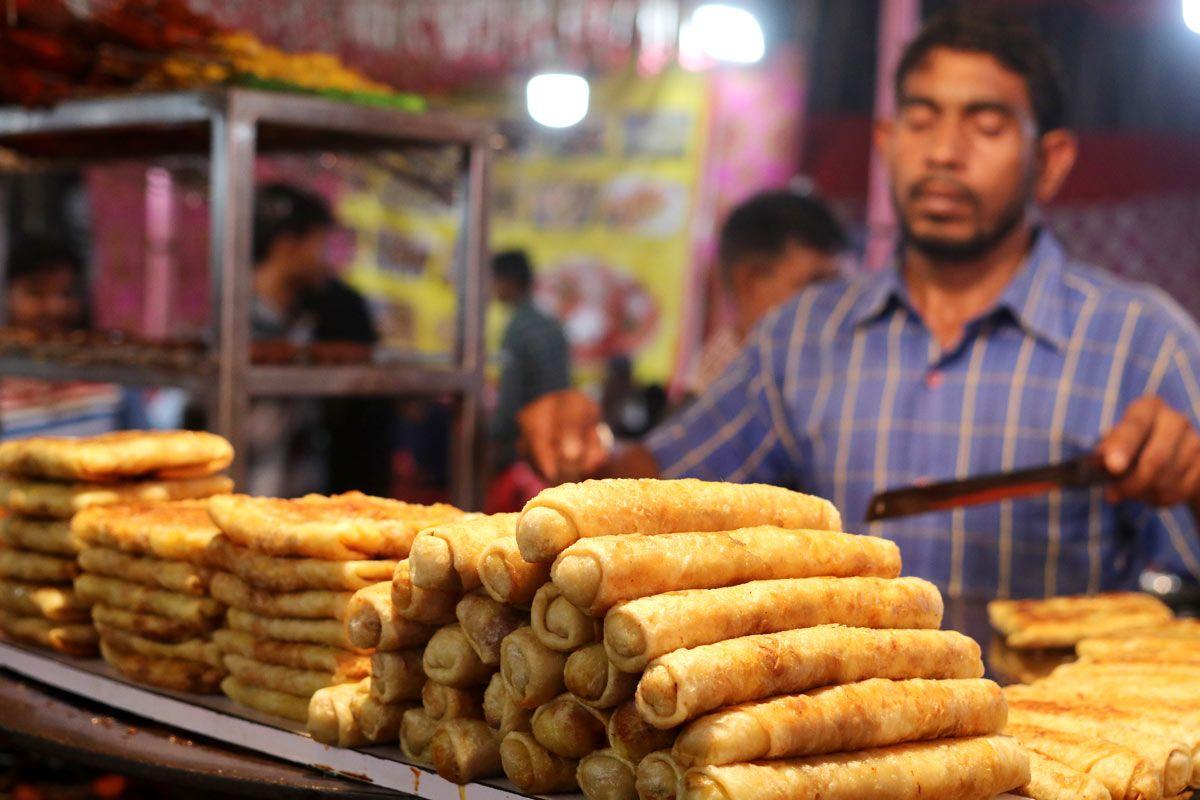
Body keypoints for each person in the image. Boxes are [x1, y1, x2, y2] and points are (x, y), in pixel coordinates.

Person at [518, 8, 1200, 600]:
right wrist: (590, 455)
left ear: (1049, 161)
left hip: (1056, 740)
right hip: (838, 737)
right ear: (886, 143)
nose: (943, 153)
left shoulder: (1142, 341)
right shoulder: (802, 335)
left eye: (986, 126)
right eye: (921, 119)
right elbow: (668, 490)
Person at [248, 183, 393, 497]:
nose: (325, 260)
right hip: (249, 504)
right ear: (288, 246)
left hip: (303, 507)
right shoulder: (238, 325)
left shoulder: (312, 321)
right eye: (320, 244)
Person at [689, 190, 845, 394]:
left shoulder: (811, 376)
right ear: (749, 282)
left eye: (836, 285)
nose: (831, 300)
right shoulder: (714, 400)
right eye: (812, 284)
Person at [1, 235, 147, 439]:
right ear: (7, 298)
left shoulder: (111, 376)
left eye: (66, 293)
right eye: (36, 293)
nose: (56, 307)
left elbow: (144, 450)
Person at [485, 250, 570, 511]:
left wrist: (496, 435)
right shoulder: (551, 324)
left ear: (508, 281)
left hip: (524, 442)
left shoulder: (518, 328)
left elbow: (511, 395)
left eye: (494, 280)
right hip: (554, 435)